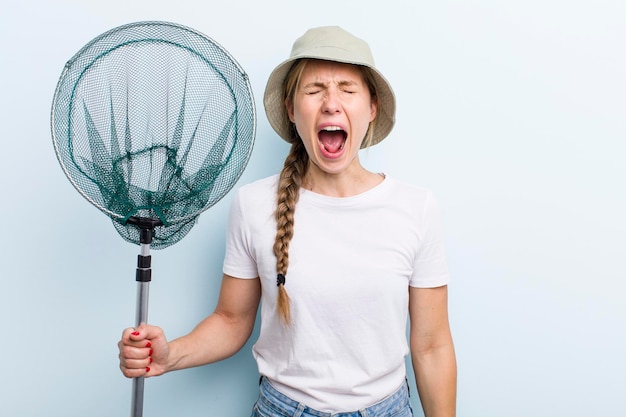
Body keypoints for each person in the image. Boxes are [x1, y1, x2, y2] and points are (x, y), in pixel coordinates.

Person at [118, 26, 457, 417]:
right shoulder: (252, 205)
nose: (331, 103)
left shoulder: (416, 208)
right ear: (292, 109)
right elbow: (231, 320)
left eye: (348, 89)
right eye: (314, 90)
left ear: (372, 108)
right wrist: (169, 354)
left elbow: (432, 345)